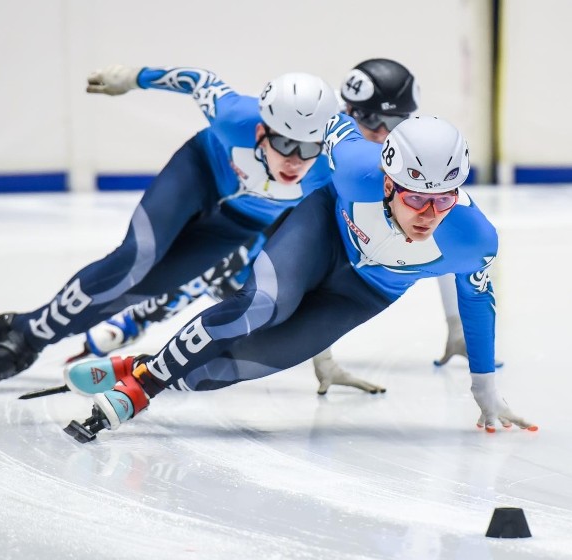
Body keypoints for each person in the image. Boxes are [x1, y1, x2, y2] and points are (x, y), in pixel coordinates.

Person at [62, 114, 537, 443]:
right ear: (388, 182)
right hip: (321, 234)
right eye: (416, 199)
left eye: (444, 200)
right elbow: (332, 122)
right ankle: (141, 387)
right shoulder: (355, 168)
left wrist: (484, 388)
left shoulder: (475, 239)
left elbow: (478, 302)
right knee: (262, 305)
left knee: (235, 366)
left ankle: (142, 366)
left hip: (362, 292)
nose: (429, 215)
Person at [69, 58, 490, 395]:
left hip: (300, 242)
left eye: (396, 124)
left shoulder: (395, 163)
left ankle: (143, 356)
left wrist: (455, 324)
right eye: (375, 123)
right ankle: (128, 330)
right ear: (348, 113)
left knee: (252, 307)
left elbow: (428, 250)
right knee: (230, 279)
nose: (384, 134)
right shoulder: (326, 146)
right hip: (269, 232)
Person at [0, 65, 340, 390]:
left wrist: (324, 351)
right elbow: (199, 81)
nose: (296, 160)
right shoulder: (234, 115)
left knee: (140, 291)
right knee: (135, 259)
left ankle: (15, 328)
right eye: (285, 144)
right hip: (199, 173)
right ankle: (30, 341)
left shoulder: (336, 167)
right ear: (259, 131)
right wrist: (130, 78)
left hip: (238, 223)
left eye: (309, 148)